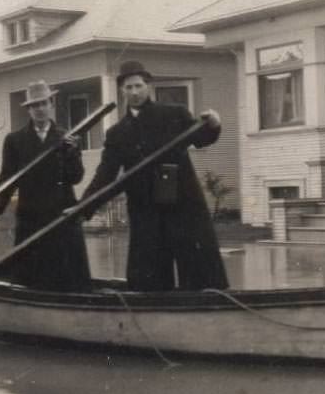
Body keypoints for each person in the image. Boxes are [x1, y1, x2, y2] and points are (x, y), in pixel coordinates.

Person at [79, 60, 228, 291]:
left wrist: (214, 124)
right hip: (146, 210)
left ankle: (205, 309)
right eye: (128, 88)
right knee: (149, 275)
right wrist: (83, 207)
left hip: (183, 204)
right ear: (121, 90)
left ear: (148, 85)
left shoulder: (174, 114)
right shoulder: (117, 133)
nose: (134, 92)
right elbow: (105, 174)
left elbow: (201, 139)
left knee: (199, 270)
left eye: (138, 86)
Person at [0, 80, 91, 292]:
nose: (40, 109)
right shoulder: (15, 140)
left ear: (51, 104)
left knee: (68, 278)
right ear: (28, 109)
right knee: (29, 276)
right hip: (31, 216)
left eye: (44, 103)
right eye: (35, 105)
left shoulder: (67, 137)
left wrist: (72, 153)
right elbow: (7, 177)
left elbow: (76, 177)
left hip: (61, 214)